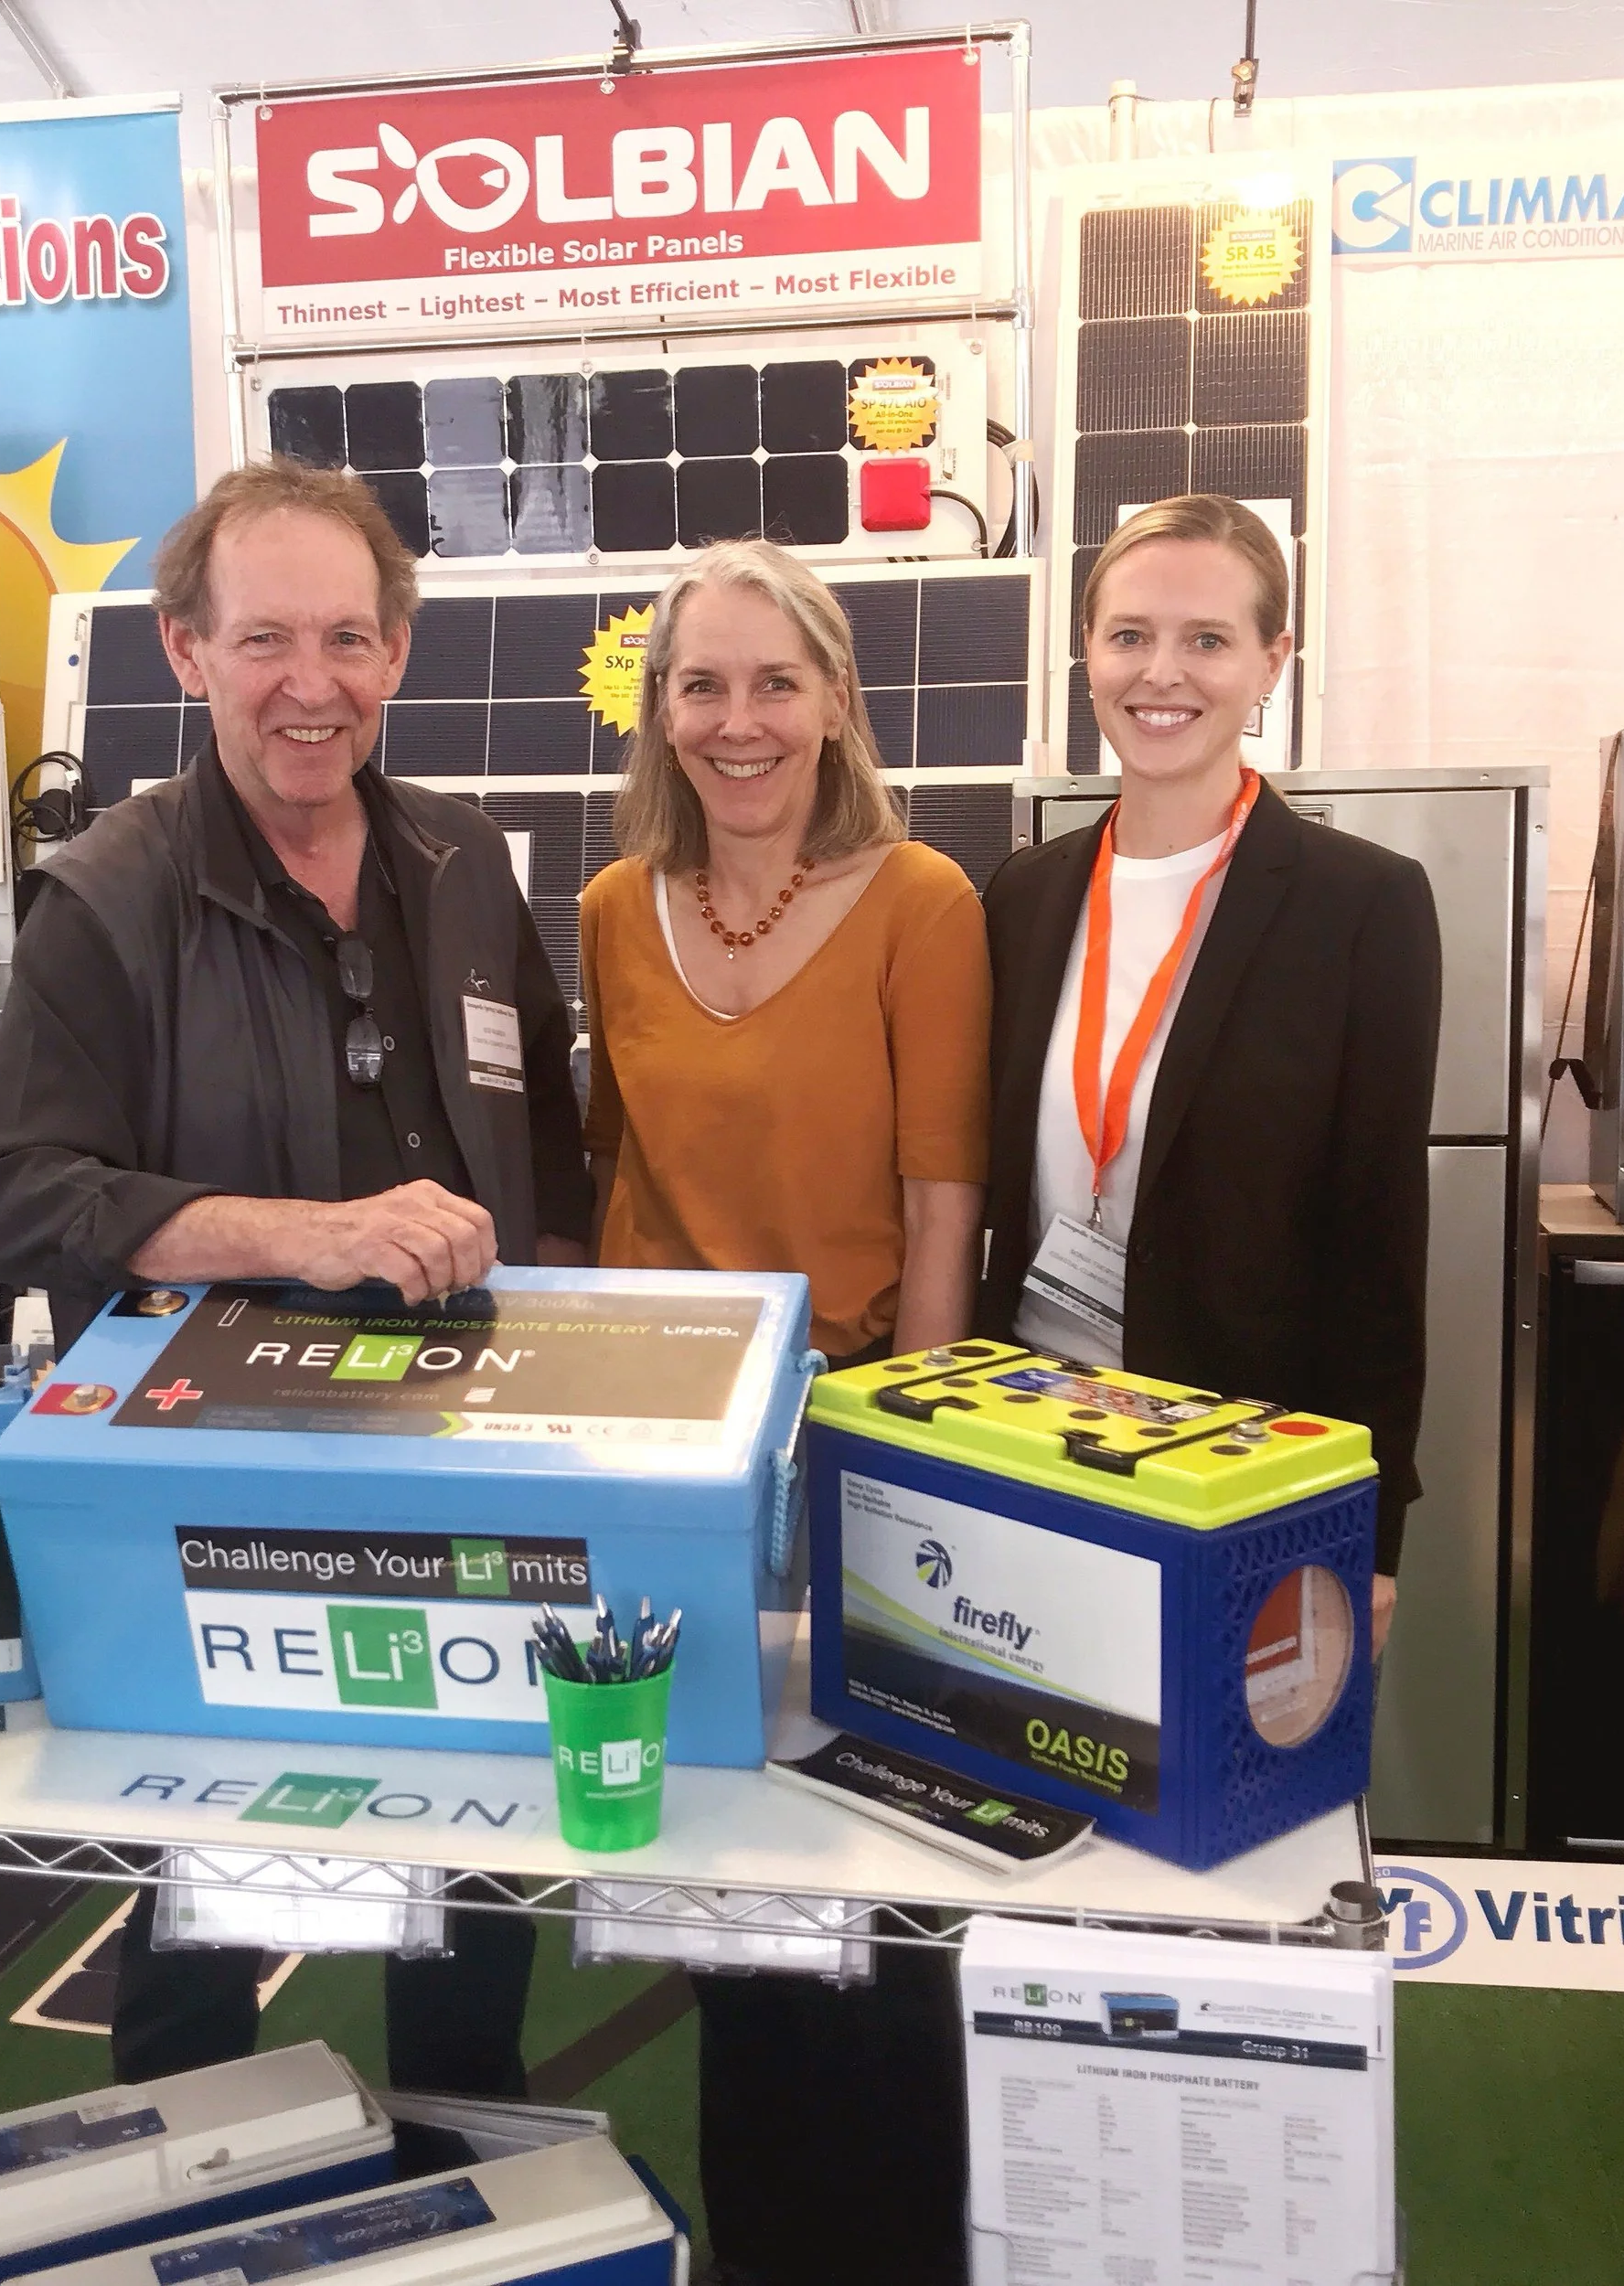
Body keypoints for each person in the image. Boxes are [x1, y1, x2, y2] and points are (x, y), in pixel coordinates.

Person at [0, 456, 591, 2089]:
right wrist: (294, 1233)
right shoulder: (109, 895)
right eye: (264, 641)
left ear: (398, 650)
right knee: (206, 1906)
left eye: (347, 639)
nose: (312, 685)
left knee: (477, 1870)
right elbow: (14, 1193)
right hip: (214, 1495)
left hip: (460, 1469)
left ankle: (461, 2158)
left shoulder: (461, 865)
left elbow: (548, 1141)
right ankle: (193, 2174)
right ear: (186, 650)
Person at [579, 539, 989, 2286]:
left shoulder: (923, 901)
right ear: (660, 713)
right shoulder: (613, 911)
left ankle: (902, 2247)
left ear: (834, 702)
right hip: (668, 1463)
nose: (736, 721)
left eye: (773, 682)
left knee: (879, 1892)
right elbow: (613, 1184)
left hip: (853, 1447)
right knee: (721, 1898)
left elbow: (945, 1208)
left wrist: (907, 1475)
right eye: (702, 685)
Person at [979, 493, 1441, 1649]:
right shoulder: (1024, 895)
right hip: (1027, 1447)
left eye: (1206, 639)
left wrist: (1369, 1533)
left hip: (1238, 1478)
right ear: (1087, 653)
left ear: (1270, 661)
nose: (1160, 673)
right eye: (1128, 635)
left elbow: (1379, 1242)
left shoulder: (1361, 904)